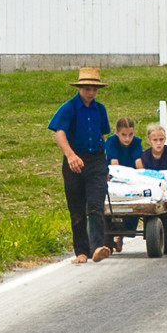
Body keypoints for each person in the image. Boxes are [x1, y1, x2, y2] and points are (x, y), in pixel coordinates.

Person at [48, 67, 113, 264]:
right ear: (80, 88)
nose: (91, 93)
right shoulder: (69, 107)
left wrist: (105, 165)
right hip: (74, 160)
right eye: (87, 89)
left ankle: (97, 247)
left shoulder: (100, 109)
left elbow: (103, 135)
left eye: (94, 89)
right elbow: (59, 132)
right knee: (76, 209)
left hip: (96, 160)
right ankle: (81, 252)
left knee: (95, 206)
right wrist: (70, 156)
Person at [105, 117, 143, 252]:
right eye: (124, 135)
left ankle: (123, 234)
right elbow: (114, 162)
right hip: (114, 177)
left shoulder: (136, 142)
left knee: (134, 204)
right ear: (117, 133)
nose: (127, 139)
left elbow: (138, 161)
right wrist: (119, 177)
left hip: (132, 178)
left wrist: (141, 175)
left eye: (130, 135)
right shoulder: (111, 141)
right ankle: (110, 236)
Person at [141, 122, 167, 213]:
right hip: (153, 187)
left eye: (161, 139)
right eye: (155, 140)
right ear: (149, 140)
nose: (158, 143)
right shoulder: (145, 156)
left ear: (165, 139)